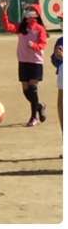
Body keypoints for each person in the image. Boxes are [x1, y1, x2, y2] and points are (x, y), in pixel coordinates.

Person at [0, 0, 48, 127]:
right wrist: (4, 12)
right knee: (26, 91)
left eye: (31, 10)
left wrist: (34, 45)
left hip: (36, 62)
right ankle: (39, 106)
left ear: (37, 13)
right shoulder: (22, 27)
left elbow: (43, 44)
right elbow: (7, 26)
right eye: (27, 10)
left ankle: (33, 117)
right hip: (23, 62)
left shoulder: (40, 29)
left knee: (33, 89)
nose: (28, 12)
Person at [50, 13, 63, 141]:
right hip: (62, 73)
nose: (62, 23)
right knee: (61, 104)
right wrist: (56, 56)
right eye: (61, 20)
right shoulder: (60, 40)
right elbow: (55, 61)